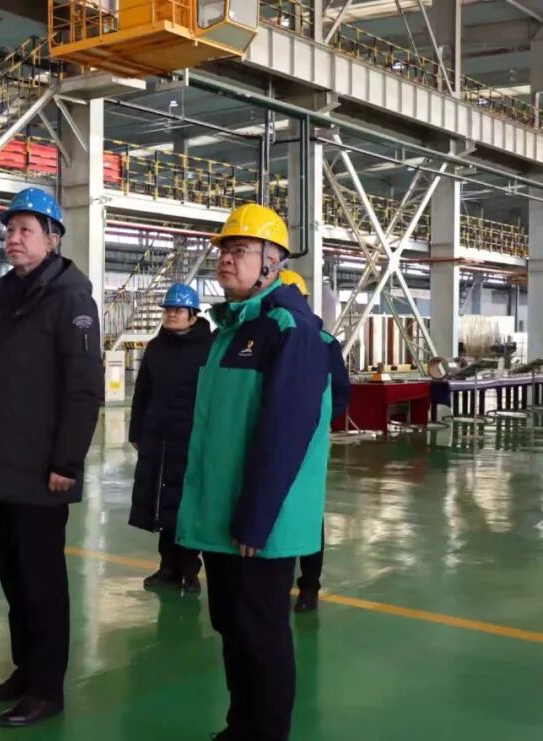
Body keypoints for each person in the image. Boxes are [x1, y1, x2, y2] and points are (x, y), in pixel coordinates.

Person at [177, 204, 333, 741]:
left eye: (239, 250)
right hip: (225, 512)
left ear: (273, 261)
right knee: (232, 628)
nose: (226, 259)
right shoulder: (232, 327)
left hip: (260, 522)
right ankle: (240, 727)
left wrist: (258, 516)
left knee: (261, 635)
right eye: (224, 250)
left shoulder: (289, 328)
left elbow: (287, 430)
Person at [0, 188, 103, 728]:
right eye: (9, 229)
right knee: (15, 579)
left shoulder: (71, 300)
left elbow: (84, 388)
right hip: (4, 465)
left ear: (53, 238)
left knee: (42, 584)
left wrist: (66, 462)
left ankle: (47, 689)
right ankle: (25, 671)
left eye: (25, 229)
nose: (13, 238)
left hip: (43, 471)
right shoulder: (13, 298)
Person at [128, 282, 212, 594]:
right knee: (162, 505)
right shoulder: (155, 347)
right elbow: (142, 392)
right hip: (159, 438)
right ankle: (167, 567)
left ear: (193, 315)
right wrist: (137, 431)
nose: (171, 314)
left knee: (188, 505)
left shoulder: (209, 347)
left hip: (192, 437)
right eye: (168, 309)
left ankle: (189, 569)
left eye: (178, 310)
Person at [278, 269, 351, 613]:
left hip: (307, 443)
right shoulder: (263, 337)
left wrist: (314, 423)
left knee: (306, 512)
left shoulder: (323, 343)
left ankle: (309, 586)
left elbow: (340, 394)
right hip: (268, 440)